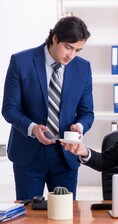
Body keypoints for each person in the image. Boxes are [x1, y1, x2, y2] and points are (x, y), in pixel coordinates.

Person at [2, 16, 94, 200]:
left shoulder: (82, 68)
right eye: (68, 47)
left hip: (65, 155)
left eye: (77, 50)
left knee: (64, 218)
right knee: (28, 218)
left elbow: (87, 113)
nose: (71, 55)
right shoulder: (21, 61)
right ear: (55, 38)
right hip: (28, 154)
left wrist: (80, 126)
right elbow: (9, 108)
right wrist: (32, 128)